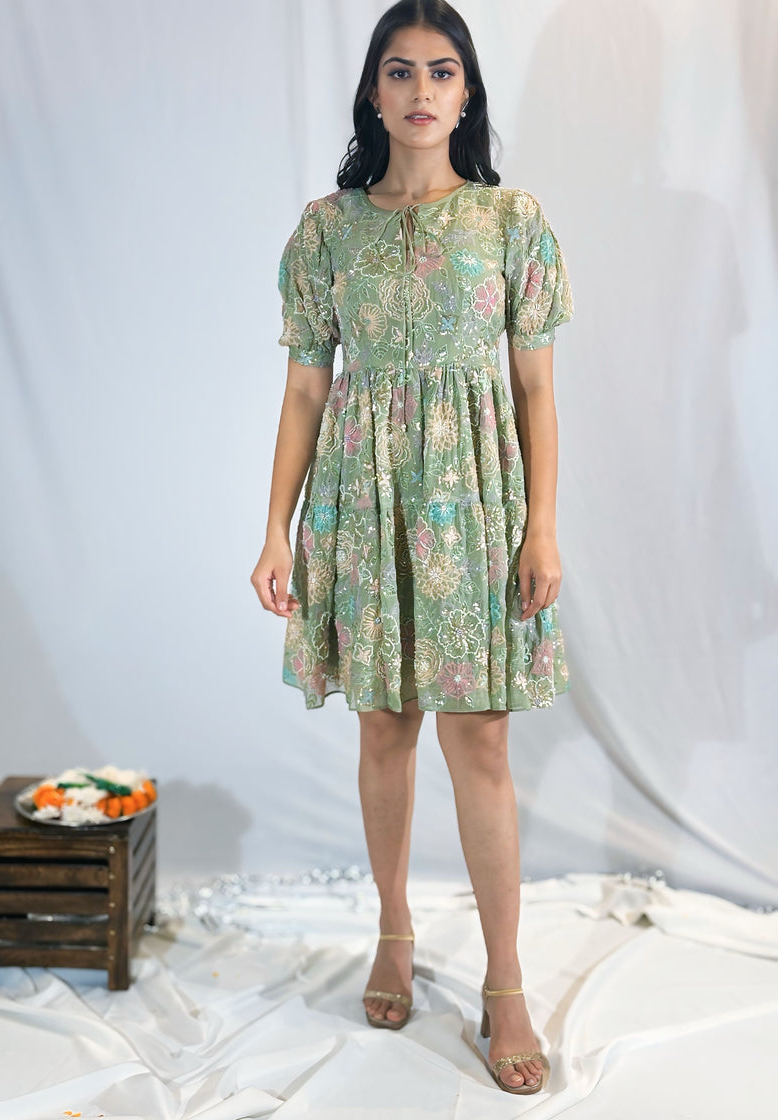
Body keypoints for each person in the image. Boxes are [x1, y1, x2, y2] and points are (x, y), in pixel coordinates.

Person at [251, 0, 573, 1096]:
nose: (422, 91)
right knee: (384, 725)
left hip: (475, 501)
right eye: (401, 71)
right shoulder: (326, 230)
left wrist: (542, 523)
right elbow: (305, 391)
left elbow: (535, 390)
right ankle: (393, 929)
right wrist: (275, 528)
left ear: (467, 93)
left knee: (481, 739)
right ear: (374, 93)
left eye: (442, 71)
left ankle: (506, 980)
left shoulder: (511, 221)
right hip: (362, 498)